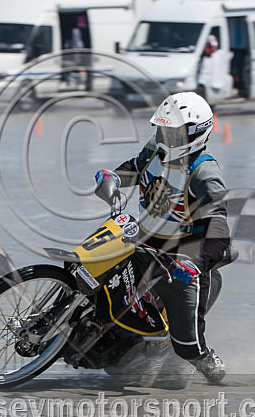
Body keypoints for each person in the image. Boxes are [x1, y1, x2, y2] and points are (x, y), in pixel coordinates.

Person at [95, 92, 231, 384]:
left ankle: (204, 359)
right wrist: (113, 178)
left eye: (170, 132)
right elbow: (135, 168)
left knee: (187, 346)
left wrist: (194, 263)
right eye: (160, 129)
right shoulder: (156, 150)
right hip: (146, 237)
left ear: (193, 134)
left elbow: (219, 230)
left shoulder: (204, 172)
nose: (162, 137)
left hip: (185, 255)